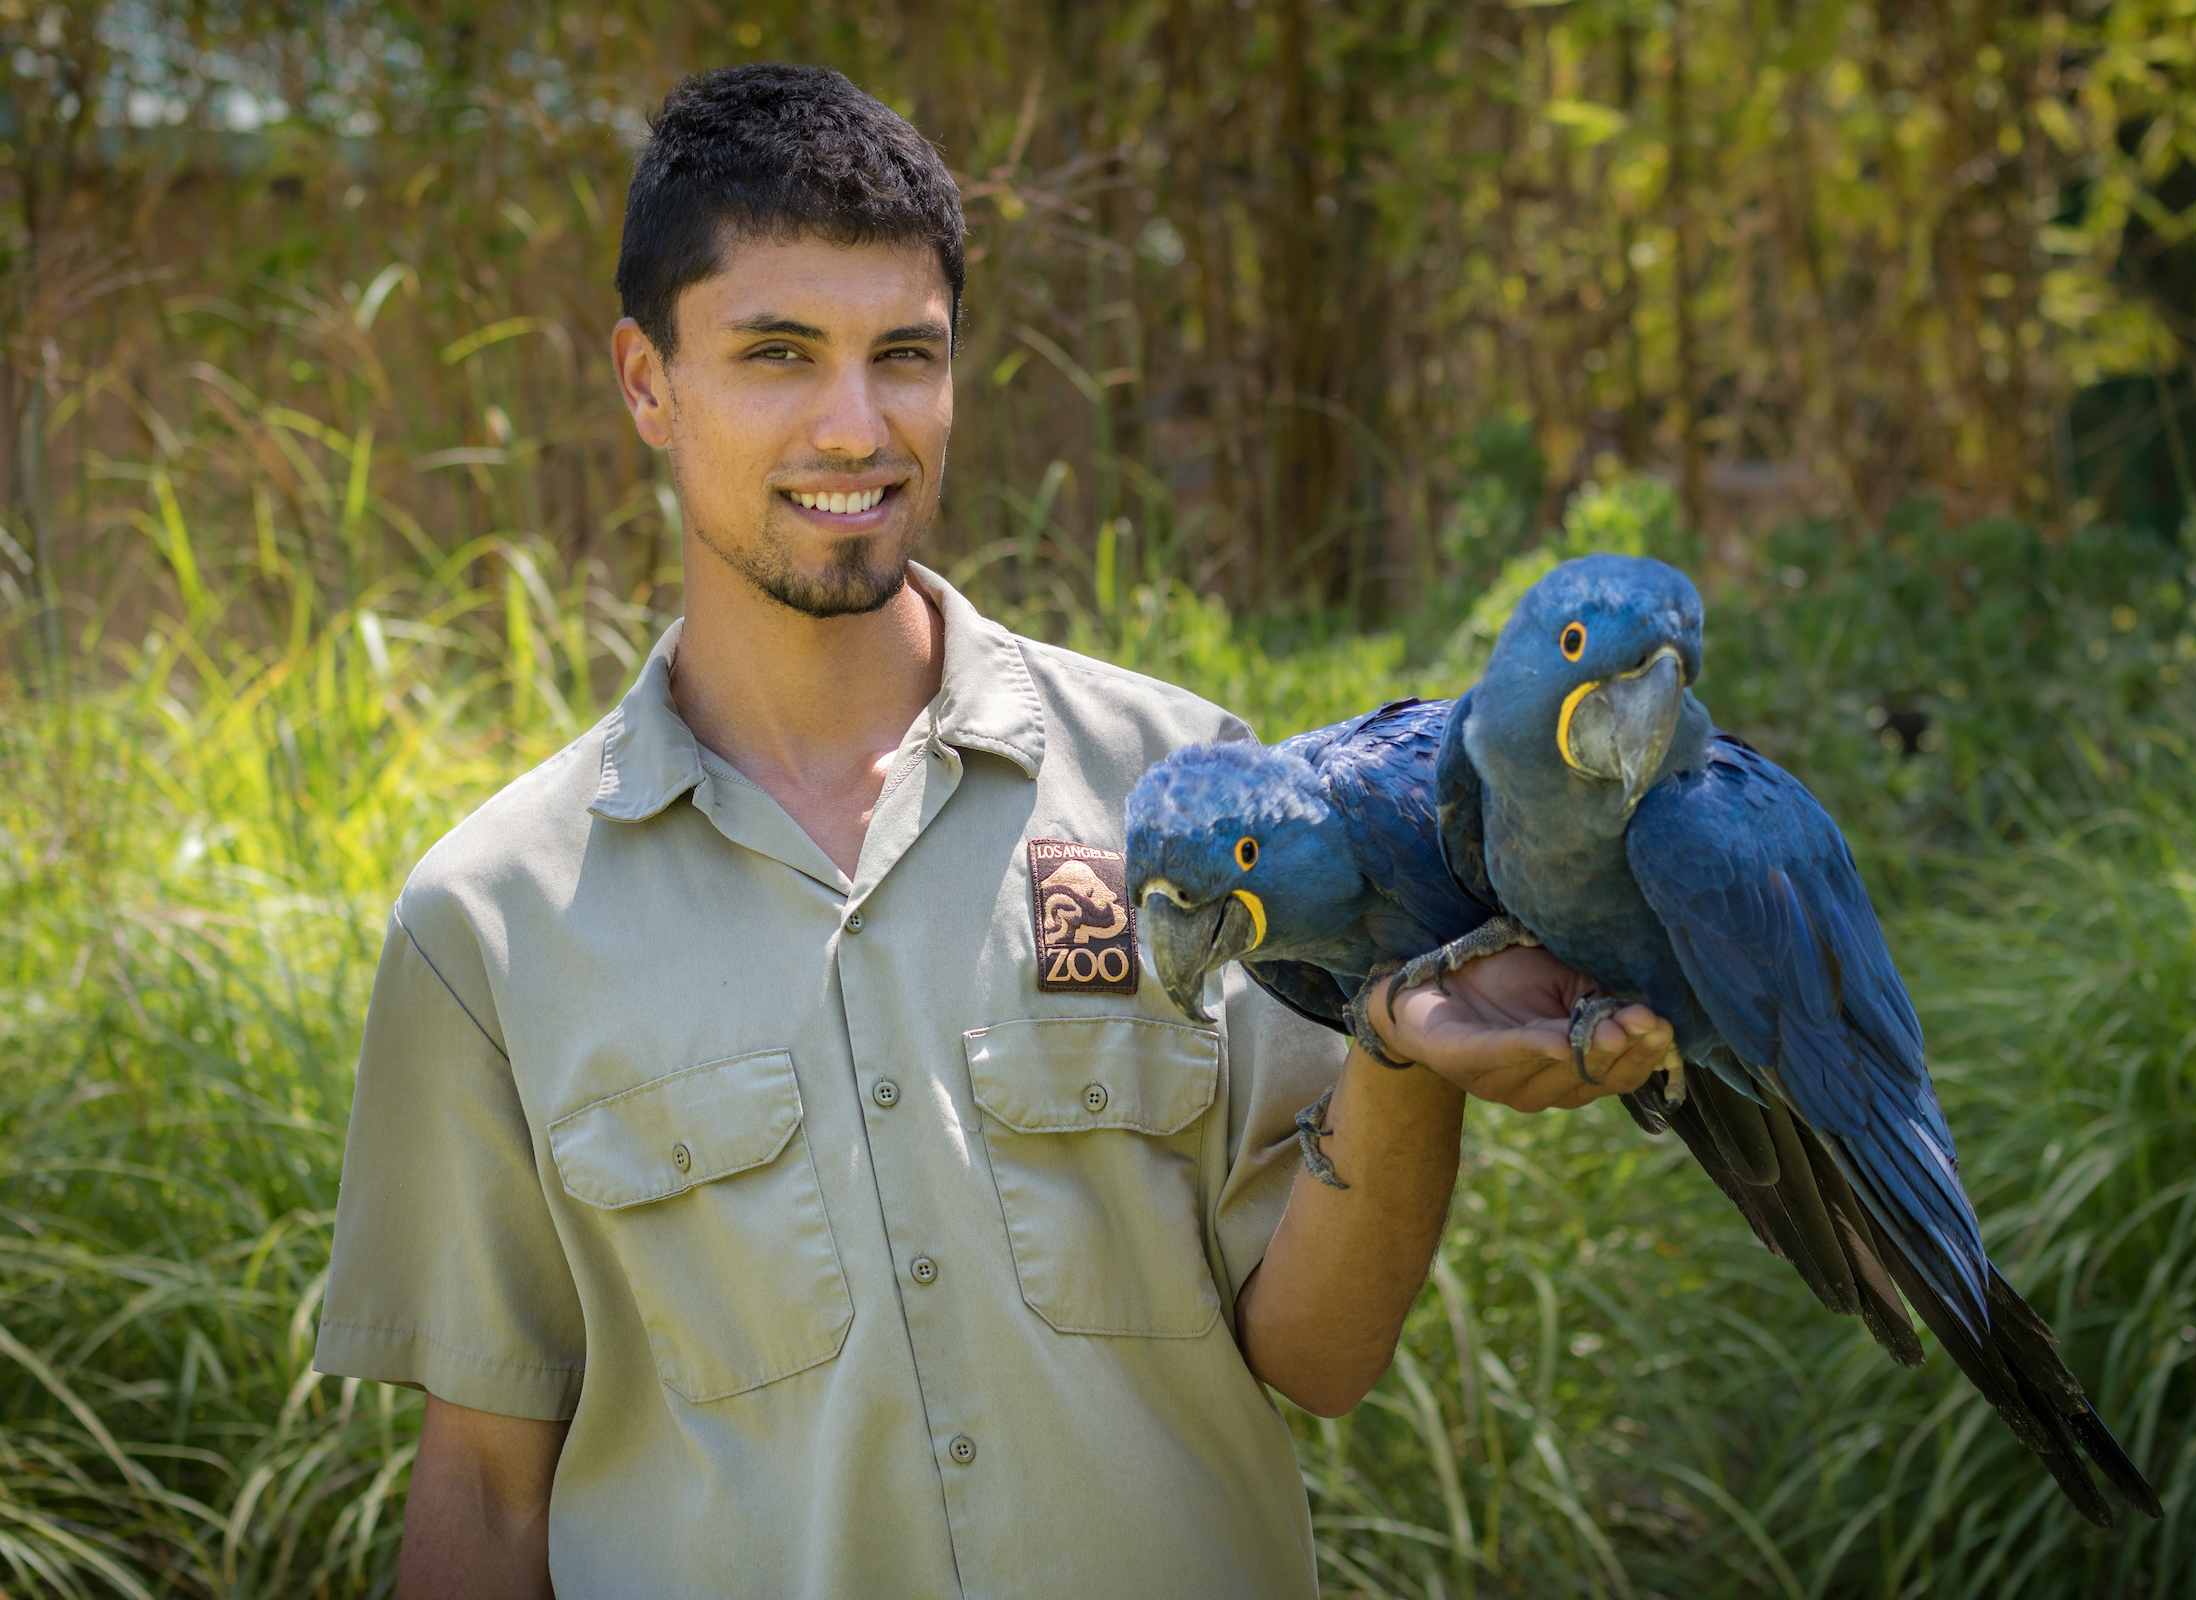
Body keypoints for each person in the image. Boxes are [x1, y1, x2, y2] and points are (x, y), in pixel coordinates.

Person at [313, 62, 1675, 1600]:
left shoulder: (1187, 791)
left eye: (905, 354)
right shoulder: (492, 923)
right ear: (647, 382)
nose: (855, 424)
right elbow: (490, 1497)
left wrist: (1402, 1055)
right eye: (776, 354)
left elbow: (1321, 1354)